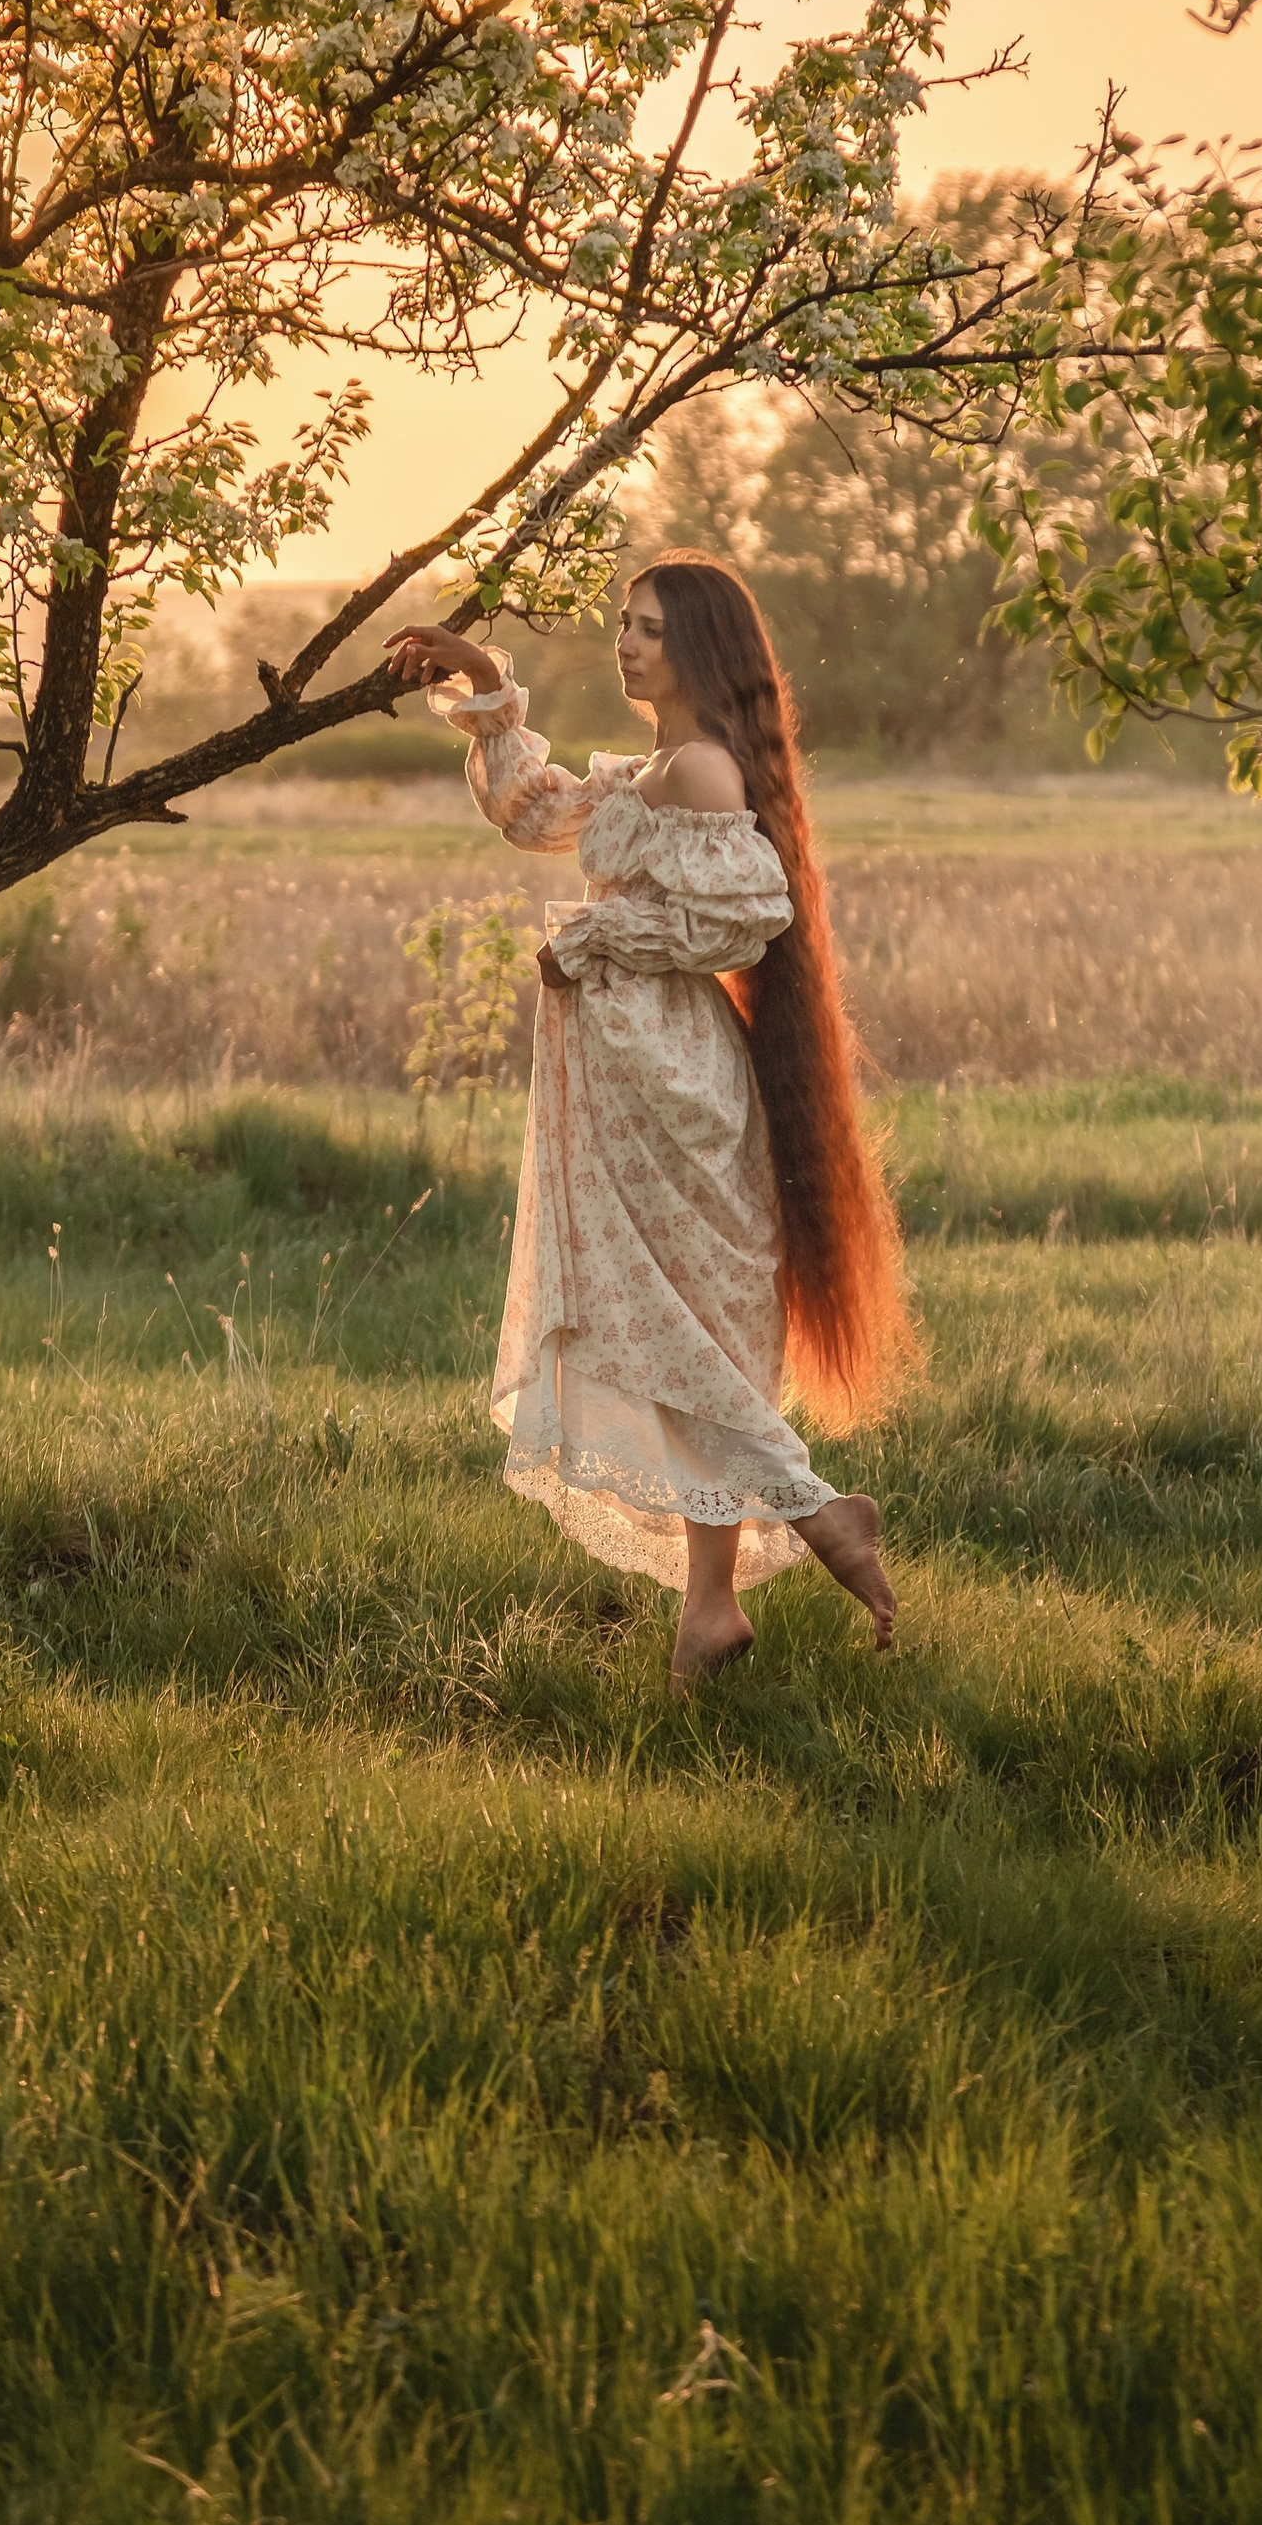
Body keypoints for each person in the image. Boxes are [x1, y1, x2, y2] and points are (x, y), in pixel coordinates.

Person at [385, 552, 908, 1691]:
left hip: (667, 1082)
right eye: (625, 623)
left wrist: (596, 941)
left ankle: (821, 1513)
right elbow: (539, 813)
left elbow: (740, 921)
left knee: (678, 1324)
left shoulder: (704, 774)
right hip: (627, 1071)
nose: (628, 644)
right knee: (691, 1324)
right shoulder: (660, 769)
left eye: (653, 630)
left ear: (702, 649)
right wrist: (486, 687)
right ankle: (710, 1609)